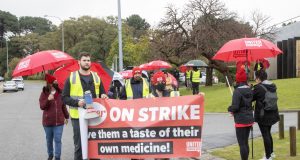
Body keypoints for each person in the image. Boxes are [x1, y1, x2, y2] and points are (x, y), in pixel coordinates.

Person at [62, 52, 108, 160]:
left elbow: (102, 93)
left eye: (88, 60)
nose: (87, 62)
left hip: (95, 116)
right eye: (84, 60)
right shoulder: (72, 77)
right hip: (78, 116)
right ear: (79, 62)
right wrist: (77, 103)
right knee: (79, 145)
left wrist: (104, 95)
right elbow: (64, 97)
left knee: (95, 144)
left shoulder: (96, 77)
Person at [39, 74, 69, 160]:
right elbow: (42, 106)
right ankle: (50, 155)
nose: (52, 85)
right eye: (51, 83)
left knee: (58, 140)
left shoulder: (60, 93)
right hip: (47, 122)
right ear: (48, 84)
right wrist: (48, 100)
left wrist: (66, 117)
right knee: (49, 140)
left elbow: (63, 106)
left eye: (54, 82)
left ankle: (57, 157)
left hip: (59, 122)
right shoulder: (44, 93)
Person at [253, 70, 279, 160]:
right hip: (272, 113)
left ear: (258, 78)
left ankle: (268, 157)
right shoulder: (272, 85)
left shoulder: (258, 87)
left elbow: (251, 98)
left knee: (265, 135)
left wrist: (249, 89)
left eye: (256, 77)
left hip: (263, 115)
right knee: (268, 133)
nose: (255, 79)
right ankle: (271, 153)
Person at [228, 69, 254, 160]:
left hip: (241, 120)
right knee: (245, 142)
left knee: (242, 143)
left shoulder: (237, 91)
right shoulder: (250, 90)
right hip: (249, 119)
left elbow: (235, 107)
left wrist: (229, 108)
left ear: (238, 80)